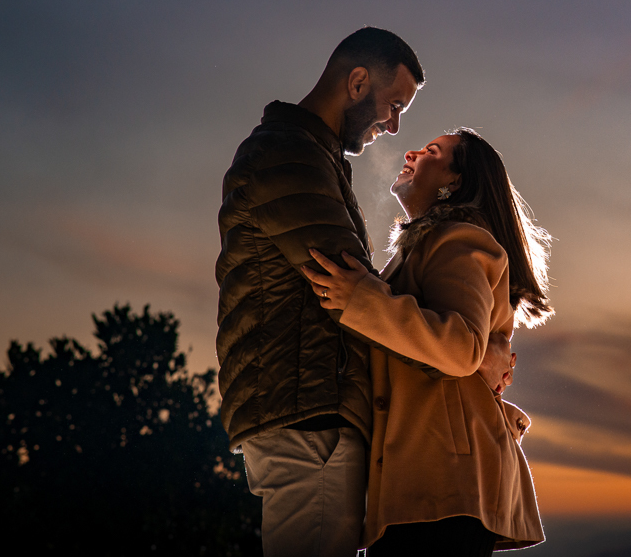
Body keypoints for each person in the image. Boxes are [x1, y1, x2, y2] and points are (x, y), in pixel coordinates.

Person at [215, 29, 516, 557]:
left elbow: (367, 299)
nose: (396, 126)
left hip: (313, 410)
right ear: (357, 82)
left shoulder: (314, 159)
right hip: (310, 413)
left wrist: (472, 357)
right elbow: (345, 282)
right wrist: (474, 359)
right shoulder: (291, 155)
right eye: (393, 104)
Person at [303, 128, 553, 555]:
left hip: (444, 487)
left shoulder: (460, 238)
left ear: (454, 182)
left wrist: (361, 297)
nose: (412, 151)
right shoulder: (428, 245)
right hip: (426, 487)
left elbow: (459, 348)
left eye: (432, 151)